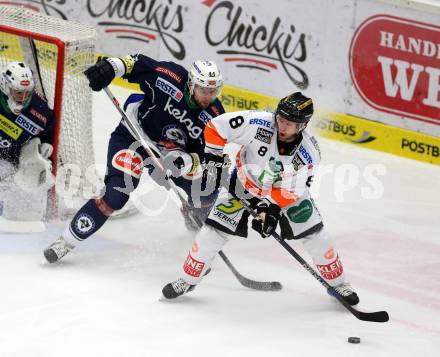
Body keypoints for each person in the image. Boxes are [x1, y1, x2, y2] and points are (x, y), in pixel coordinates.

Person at [161, 92, 360, 306]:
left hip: (285, 195)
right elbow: (215, 127)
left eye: (290, 123)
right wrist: (214, 159)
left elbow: (292, 190)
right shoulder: (258, 122)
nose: (282, 126)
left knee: (317, 237)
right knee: (211, 234)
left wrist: (270, 211)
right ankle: (189, 279)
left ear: (303, 125)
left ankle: (339, 283)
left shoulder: (309, 153)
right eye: (281, 119)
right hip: (243, 185)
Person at [43, 55, 225, 263]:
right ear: (191, 84)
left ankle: (192, 212)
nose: (208, 96)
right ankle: (66, 241)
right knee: (116, 195)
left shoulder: (214, 118)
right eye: (204, 90)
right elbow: (134, 63)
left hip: (170, 157)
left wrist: (182, 163)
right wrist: (110, 68)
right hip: (134, 138)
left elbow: (210, 158)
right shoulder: (168, 77)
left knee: (207, 189)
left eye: (213, 91)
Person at [0, 61, 55, 227]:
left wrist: (46, 144)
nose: (23, 98)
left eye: (27, 93)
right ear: (5, 86)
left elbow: (48, 133)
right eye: (18, 92)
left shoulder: (41, 110)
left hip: (9, 159)